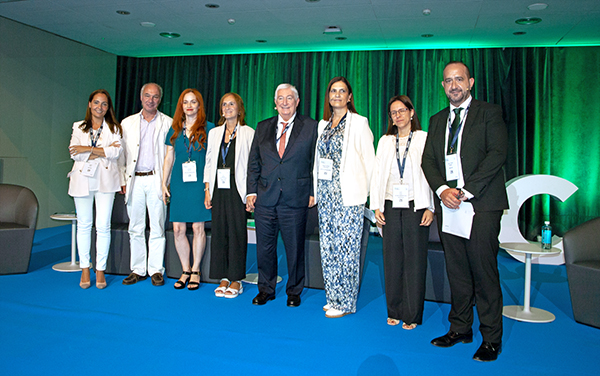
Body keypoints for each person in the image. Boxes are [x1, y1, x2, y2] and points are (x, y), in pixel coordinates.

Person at [421, 61, 508, 362]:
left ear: (470, 82)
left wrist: (466, 190)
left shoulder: (489, 113)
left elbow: (497, 153)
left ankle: (492, 338)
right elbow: (428, 161)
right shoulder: (436, 120)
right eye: (448, 81)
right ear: (443, 86)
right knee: (456, 270)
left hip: (480, 204)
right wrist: (443, 191)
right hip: (449, 205)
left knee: (483, 272)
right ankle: (460, 328)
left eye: (459, 79)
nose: (454, 85)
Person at [246, 83, 317, 307]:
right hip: (265, 198)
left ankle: (294, 291)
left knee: (295, 248)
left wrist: (313, 191)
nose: (285, 102)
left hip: (296, 197)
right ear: (275, 103)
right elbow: (254, 162)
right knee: (264, 248)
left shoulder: (311, 126)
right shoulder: (262, 126)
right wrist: (250, 191)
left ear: (297, 102)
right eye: (280, 98)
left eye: (289, 98)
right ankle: (265, 289)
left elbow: (317, 162)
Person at [314, 76, 375, 318]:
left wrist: (367, 196)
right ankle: (333, 296)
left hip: (349, 197)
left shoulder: (359, 123)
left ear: (349, 97)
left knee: (347, 250)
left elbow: (370, 163)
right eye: (333, 91)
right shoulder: (322, 125)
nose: (337, 95)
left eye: (342, 91)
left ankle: (346, 301)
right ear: (328, 96)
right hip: (326, 196)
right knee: (328, 247)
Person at [370, 95, 434, 329]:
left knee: (414, 260)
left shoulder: (424, 138)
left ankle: (413, 313)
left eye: (402, 111)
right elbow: (377, 175)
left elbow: (431, 174)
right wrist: (376, 205)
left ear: (412, 112)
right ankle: (394, 309)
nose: (397, 116)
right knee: (392, 260)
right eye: (393, 112)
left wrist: (430, 206)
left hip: (415, 205)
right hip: (389, 204)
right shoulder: (386, 141)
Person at [68, 89, 123, 289]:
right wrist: (101, 152)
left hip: (106, 180)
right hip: (82, 179)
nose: (100, 107)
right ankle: (85, 268)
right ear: (90, 104)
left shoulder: (114, 128)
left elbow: (115, 152)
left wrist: (87, 149)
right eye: (97, 103)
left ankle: (100, 269)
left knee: (103, 226)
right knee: (84, 224)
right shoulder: (78, 127)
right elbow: (75, 153)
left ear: (108, 108)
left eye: (105, 104)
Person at [119, 83, 173, 286]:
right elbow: (121, 155)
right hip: (134, 180)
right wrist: (122, 179)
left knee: (158, 225)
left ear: (160, 99)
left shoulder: (168, 122)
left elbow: (171, 155)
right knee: (136, 226)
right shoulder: (127, 123)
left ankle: (156, 270)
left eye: (155, 97)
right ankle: (138, 269)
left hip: (157, 180)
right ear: (141, 98)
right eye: (147, 96)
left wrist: (166, 183)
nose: (151, 100)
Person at [162, 89, 213, 290]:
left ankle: (196, 270)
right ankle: (185, 270)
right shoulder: (174, 129)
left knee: (198, 227)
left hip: (200, 184)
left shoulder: (209, 129)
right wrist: (163, 183)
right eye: (185, 102)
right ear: (181, 106)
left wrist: (208, 187)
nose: (189, 105)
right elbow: (169, 157)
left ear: (199, 105)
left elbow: (211, 159)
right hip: (179, 183)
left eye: (193, 102)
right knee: (178, 229)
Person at [204, 93, 255, 298]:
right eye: (224, 104)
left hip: (237, 189)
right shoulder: (214, 133)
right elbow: (209, 162)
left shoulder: (248, 133)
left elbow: (253, 166)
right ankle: (223, 276)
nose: (227, 107)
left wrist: (252, 193)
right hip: (218, 189)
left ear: (239, 108)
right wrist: (207, 189)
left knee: (236, 233)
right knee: (219, 233)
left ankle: (236, 279)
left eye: (231, 104)